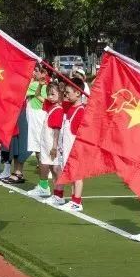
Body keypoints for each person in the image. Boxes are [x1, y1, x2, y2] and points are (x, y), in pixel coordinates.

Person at [46, 83, 86, 212]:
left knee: (77, 176)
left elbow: (81, 134)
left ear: (78, 93)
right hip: (67, 149)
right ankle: (74, 199)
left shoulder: (81, 110)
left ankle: (77, 202)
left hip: (76, 150)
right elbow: (59, 100)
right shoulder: (70, 107)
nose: (66, 95)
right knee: (72, 176)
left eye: (68, 93)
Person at [28, 82, 64, 199]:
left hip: (51, 142)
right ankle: (50, 190)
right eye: (48, 94)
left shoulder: (58, 109)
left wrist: (54, 146)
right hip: (45, 140)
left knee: (52, 167)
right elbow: (38, 95)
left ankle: (53, 192)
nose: (49, 96)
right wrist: (40, 85)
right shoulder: (50, 105)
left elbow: (56, 130)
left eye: (53, 94)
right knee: (49, 165)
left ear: (60, 94)